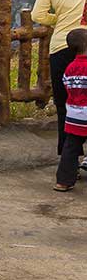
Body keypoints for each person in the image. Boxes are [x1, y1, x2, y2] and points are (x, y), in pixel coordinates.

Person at [32, 0, 87, 164]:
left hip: (63, 47)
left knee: (66, 106)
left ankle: (69, 162)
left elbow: (38, 15)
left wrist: (61, 19)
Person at [55, 29, 87, 191]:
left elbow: (67, 86)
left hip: (74, 115)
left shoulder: (70, 68)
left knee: (71, 148)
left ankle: (63, 181)